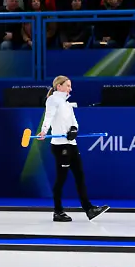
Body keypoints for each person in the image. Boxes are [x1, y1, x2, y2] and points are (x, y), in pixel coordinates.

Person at [38, 76, 109, 222]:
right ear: (59, 86)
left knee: (80, 176)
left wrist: (74, 130)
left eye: (70, 86)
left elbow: (74, 122)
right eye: (68, 85)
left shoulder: (67, 104)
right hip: (60, 145)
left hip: (71, 144)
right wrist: (44, 131)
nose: (70, 89)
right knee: (61, 178)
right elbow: (48, 117)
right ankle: (58, 212)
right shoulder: (52, 100)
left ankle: (89, 209)